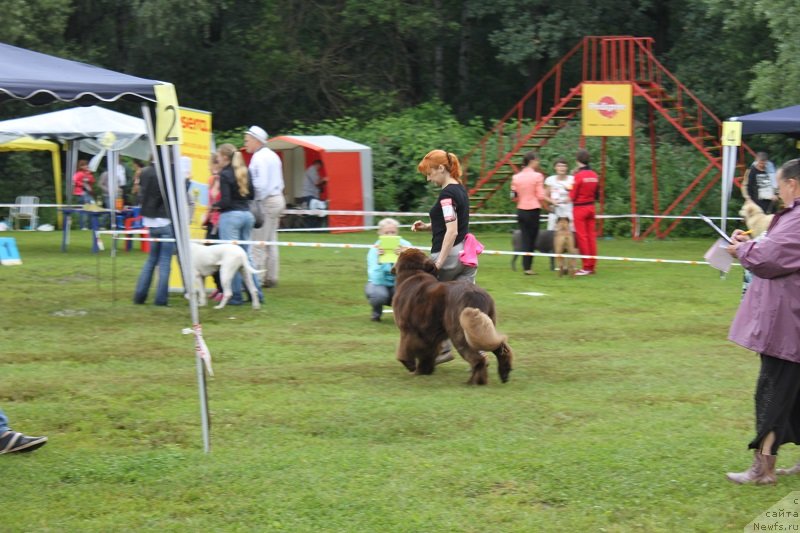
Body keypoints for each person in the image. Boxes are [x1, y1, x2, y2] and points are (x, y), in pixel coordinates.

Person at [725, 158, 800, 485]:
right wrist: (748, 245)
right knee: (794, 394)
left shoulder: (797, 218)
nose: (777, 193)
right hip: (791, 321)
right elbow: (773, 248)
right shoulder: (791, 216)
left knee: (772, 392)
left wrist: (741, 252)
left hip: (788, 324)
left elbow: (770, 258)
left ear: (792, 184)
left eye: (779, 186)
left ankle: (762, 469)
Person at [412, 149, 475, 283]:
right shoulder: (460, 189)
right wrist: (426, 226)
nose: (428, 179)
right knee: (464, 296)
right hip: (466, 255)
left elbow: (452, 231)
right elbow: (453, 222)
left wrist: (438, 263)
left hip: (449, 256)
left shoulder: (447, 195)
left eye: (429, 173)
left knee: (428, 293)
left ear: (441, 168)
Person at [214, 143, 258, 306]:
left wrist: (215, 205)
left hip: (231, 217)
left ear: (225, 157)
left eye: (218, 156)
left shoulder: (225, 174)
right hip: (247, 215)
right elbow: (252, 195)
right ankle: (257, 294)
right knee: (247, 257)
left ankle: (236, 296)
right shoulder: (245, 171)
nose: (217, 159)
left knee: (230, 258)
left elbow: (225, 201)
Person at [244, 125, 284, 289]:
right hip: (277, 199)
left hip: (266, 201)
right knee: (271, 241)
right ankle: (271, 277)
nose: (245, 143)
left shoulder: (258, 158)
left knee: (258, 242)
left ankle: (257, 280)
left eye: (247, 140)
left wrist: (254, 201)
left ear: (256, 140)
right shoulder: (273, 155)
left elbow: (261, 185)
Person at [133, 160, 174, 306]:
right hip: (165, 220)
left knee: (151, 260)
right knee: (165, 262)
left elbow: (141, 194)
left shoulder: (144, 172)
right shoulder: (169, 171)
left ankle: (140, 296)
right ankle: (161, 299)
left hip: (150, 221)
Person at [365, 218, 412, 321]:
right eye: (386, 233)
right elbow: (375, 278)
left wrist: (403, 257)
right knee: (379, 295)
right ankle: (376, 312)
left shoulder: (406, 246)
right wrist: (379, 261)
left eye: (393, 232)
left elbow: (413, 273)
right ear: (380, 233)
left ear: (397, 232)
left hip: (400, 283)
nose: (390, 235)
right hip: (379, 283)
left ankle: (404, 315)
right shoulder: (374, 249)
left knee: (410, 290)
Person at [510, 151, 548, 275]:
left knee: (525, 237)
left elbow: (513, 197)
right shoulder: (538, 176)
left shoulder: (516, 177)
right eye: (537, 160)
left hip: (521, 210)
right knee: (532, 239)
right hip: (533, 210)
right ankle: (528, 267)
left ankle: (526, 266)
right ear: (532, 161)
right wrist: (550, 203)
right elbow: (541, 195)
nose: (538, 162)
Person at [569, 148, 599, 276]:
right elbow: (597, 194)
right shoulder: (594, 175)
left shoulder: (578, 176)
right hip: (591, 207)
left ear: (577, 160)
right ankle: (592, 266)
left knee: (582, 237)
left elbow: (572, 196)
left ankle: (586, 266)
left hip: (580, 208)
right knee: (591, 237)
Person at [201, 153, 223, 301]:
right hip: (211, 221)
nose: (209, 167)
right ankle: (217, 286)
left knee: (217, 257)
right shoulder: (212, 180)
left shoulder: (222, 179)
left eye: (210, 164)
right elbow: (210, 201)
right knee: (209, 256)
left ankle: (222, 288)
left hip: (218, 222)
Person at [544, 157, 575, 231]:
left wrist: (570, 197)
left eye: (564, 166)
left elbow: (576, 194)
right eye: (559, 166)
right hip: (555, 210)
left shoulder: (572, 179)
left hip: (569, 210)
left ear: (567, 168)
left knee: (571, 232)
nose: (562, 168)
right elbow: (544, 196)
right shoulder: (550, 180)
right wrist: (552, 201)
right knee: (552, 232)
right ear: (555, 167)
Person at [71, 159, 95, 230]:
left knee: (91, 207)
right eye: (85, 165)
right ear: (81, 166)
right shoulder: (78, 173)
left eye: (87, 165)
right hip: (81, 192)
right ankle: (83, 226)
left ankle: (90, 225)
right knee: (84, 209)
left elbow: (93, 181)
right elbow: (75, 181)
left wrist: (89, 175)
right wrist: (83, 183)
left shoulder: (88, 173)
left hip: (88, 193)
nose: (86, 166)